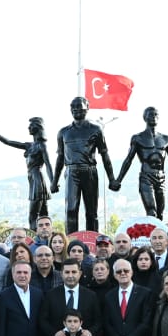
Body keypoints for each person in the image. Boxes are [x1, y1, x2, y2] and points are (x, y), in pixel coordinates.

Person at [51, 96, 117, 233]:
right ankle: (70, 242)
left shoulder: (96, 129)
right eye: (73, 108)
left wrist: (112, 179)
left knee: (91, 211)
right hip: (71, 172)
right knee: (70, 209)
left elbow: (104, 155)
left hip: (89, 171)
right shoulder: (64, 132)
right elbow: (60, 157)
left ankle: (92, 241)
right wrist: (54, 181)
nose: (76, 110)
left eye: (80, 107)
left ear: (87, 108)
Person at [0, 116, 53, 223]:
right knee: (43, 215)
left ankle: (36, 238)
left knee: (34, 216)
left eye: (31, 125)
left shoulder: (42, 146)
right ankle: (45, 238)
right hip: (33, 179)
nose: (28, 127)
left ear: (38, 127)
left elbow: (48, 165)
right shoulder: (29, 146)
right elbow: (7, 142)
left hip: (38, 180)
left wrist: (53, 183)